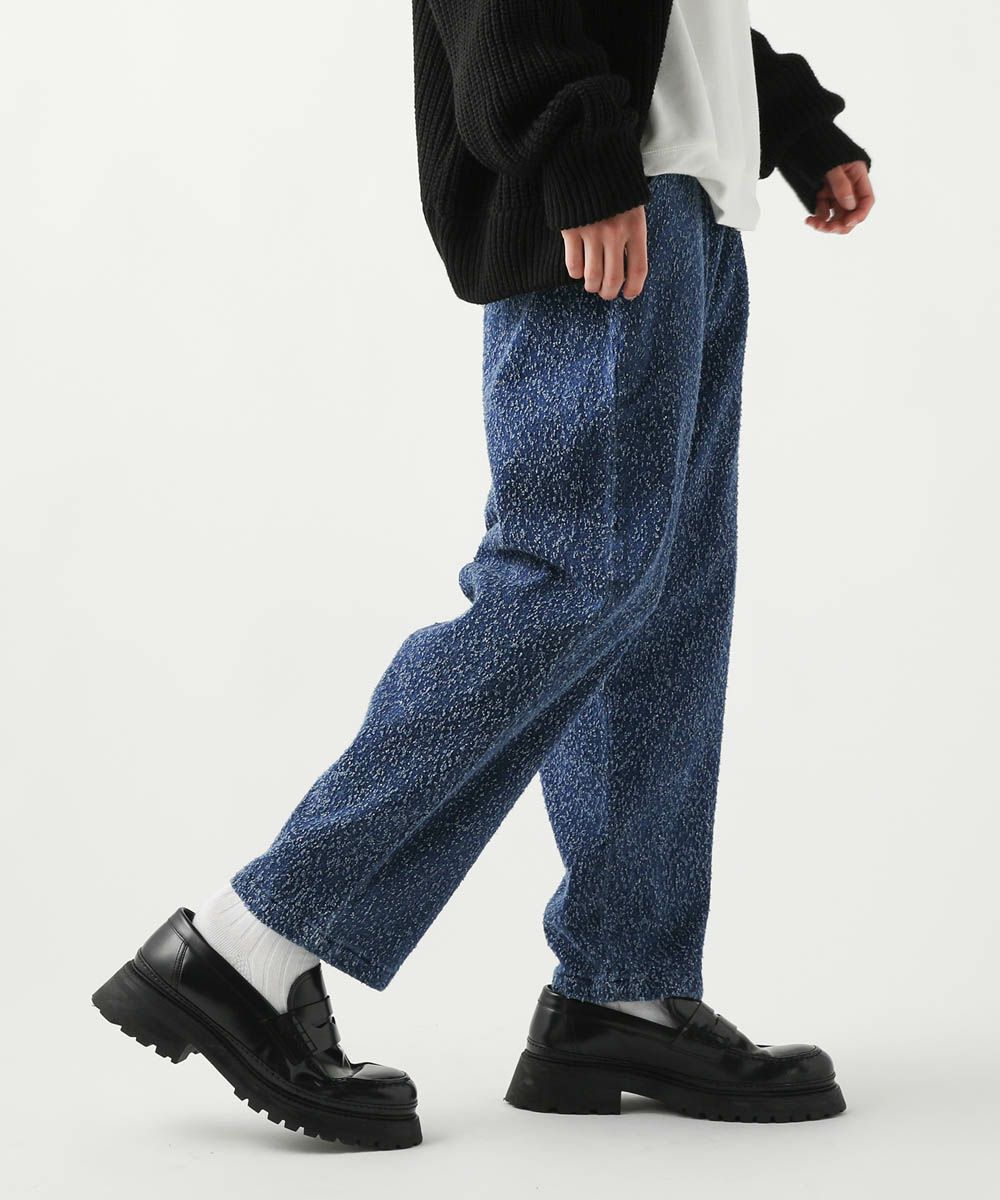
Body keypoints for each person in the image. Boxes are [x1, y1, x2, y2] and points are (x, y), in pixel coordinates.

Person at [93, 1, 874, 1150]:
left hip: (689, 198)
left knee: (660, 605)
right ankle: (248, 942)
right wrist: (573, 145)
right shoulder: (587, 155)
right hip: (611, 186)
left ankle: (622, 990)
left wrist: (784, 116)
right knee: (569, 580)